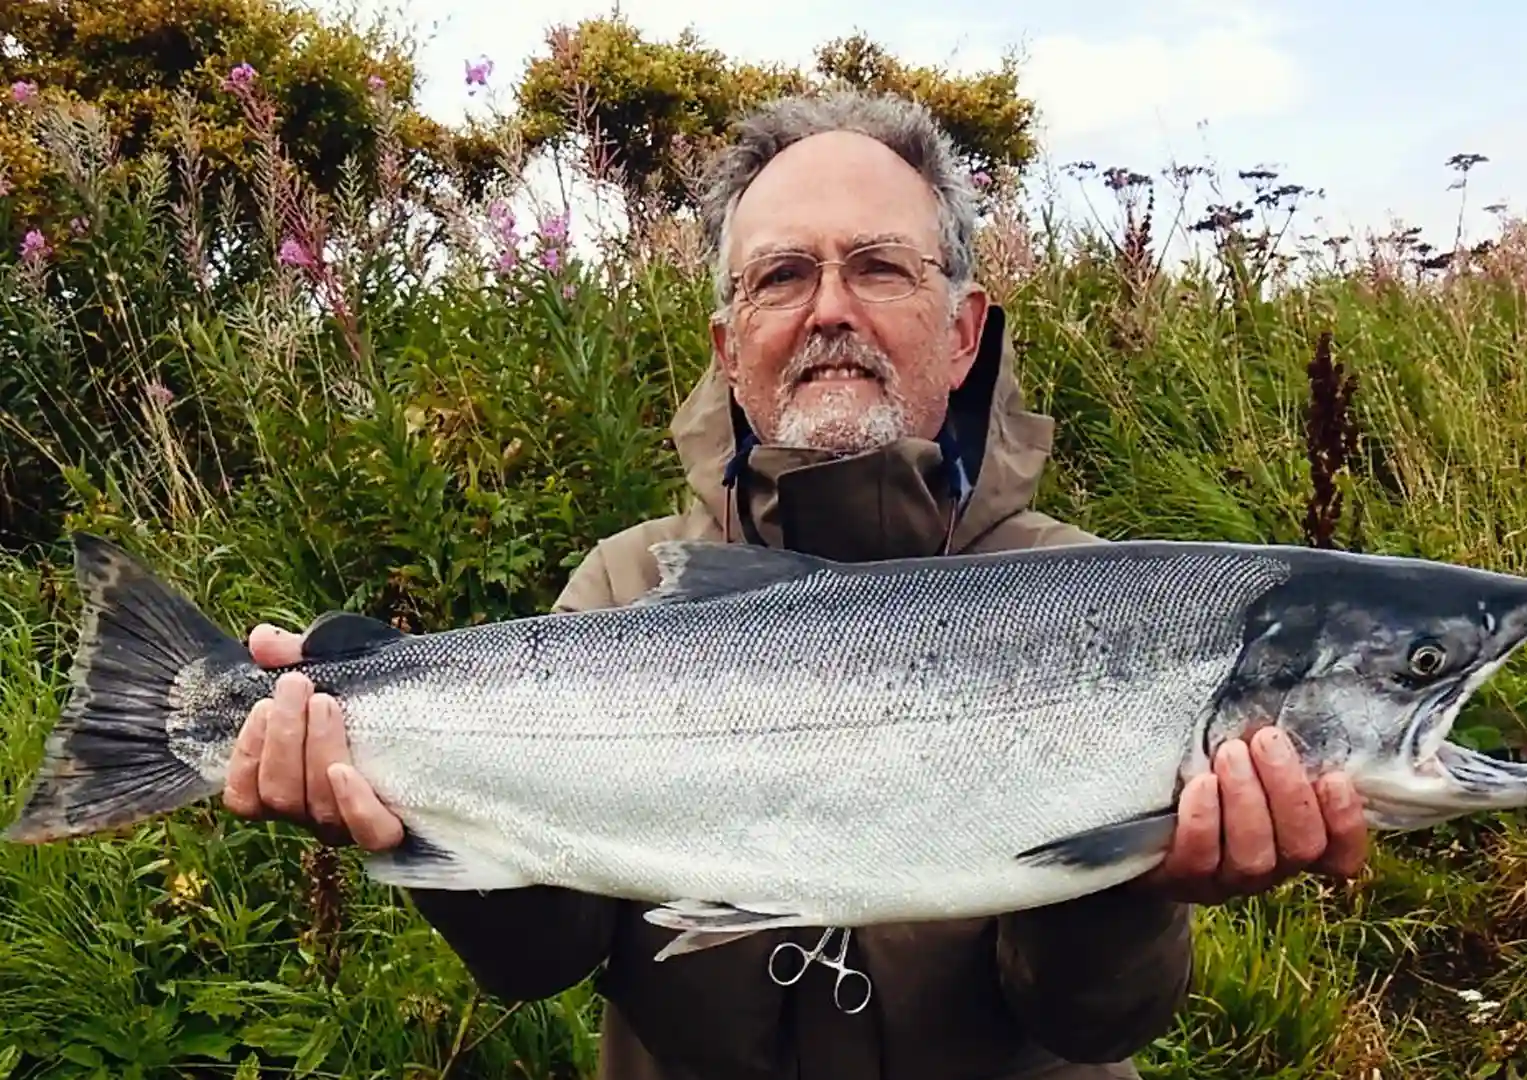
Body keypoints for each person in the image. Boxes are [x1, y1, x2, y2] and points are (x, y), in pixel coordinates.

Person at [222, 88, 1370, 1080]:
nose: (830, 309)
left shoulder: (1103, 601)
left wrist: (1136, 886)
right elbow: (539, 960)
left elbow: (1092, 1021)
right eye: (782, 276)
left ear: (964, 331)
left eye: (879, 266)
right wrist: (387, 786)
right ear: (730, 347)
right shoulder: (626, 584)